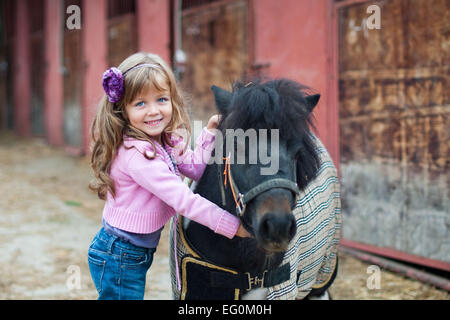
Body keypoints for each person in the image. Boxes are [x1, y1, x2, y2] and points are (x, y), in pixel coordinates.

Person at [87, 52, 250, 300]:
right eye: (140, 103)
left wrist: (209, 132)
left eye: (161, 99)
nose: (153, 111)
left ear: (172, 100)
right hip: (118, 252)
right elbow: (184, 201)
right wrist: (234, 227)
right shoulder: (138, 155)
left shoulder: (164, 139)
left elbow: (195, 169)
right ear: (123, 110)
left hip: (132, 250)